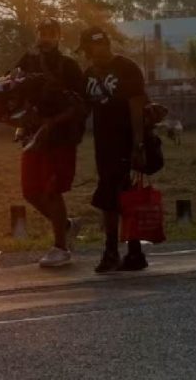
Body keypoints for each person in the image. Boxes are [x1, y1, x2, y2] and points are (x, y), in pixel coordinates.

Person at [11, 19, 85, 268]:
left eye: (51, 33)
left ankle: (61, 247)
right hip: (33, 135)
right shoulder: (27, 61)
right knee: (31, 192)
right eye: (42, 32)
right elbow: (12, 88)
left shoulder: (68, 66)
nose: (46, 38)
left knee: (52, 190)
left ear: (59, 37)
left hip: (60, 137)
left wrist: (52, 123)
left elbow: (80, 105)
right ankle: (66, 226)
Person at [78, 27, 149, 274]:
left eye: (90, 48)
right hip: (103, 144)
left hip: (125, 141)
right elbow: (83, 108)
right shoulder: (87, 75)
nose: (89, 54)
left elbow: (137, 106)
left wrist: (138, 144)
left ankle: (113, 252)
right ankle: (134, 251)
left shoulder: (127, 69)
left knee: (112, 197)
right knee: (119, 196)